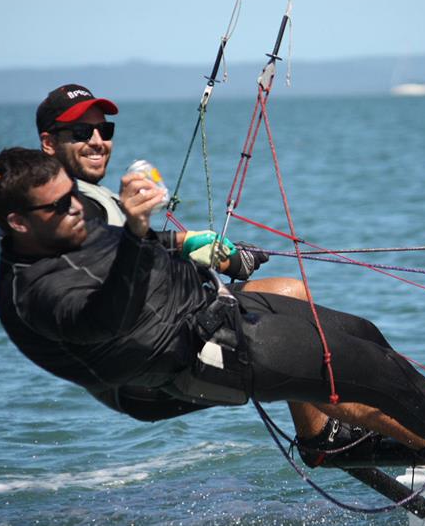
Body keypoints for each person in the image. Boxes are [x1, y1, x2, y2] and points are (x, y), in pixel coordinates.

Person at [0, 147, 425, 480]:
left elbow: (133, 251)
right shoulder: (34, 292)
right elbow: (109, 317)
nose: (78, 211)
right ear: (17, 222)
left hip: (219, 315)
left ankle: (394, 444)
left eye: (74, 197)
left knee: (362, 335)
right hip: (208, 357)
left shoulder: (67, 229)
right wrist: (138, 230)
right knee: (385, 380)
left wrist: (184, 243)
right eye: (60, 208)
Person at [34, 83, 346, 452]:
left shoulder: (89, 198)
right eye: (82, 132)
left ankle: (323, 434)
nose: (98, 140)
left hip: (161, 343)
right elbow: (117, 262)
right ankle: (340, 437)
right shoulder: (62, 206)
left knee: (290, 295)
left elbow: (131, 248)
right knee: (306, 335)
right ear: (49, 143)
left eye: (106, 130)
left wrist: (194, 244)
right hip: (147, 371)